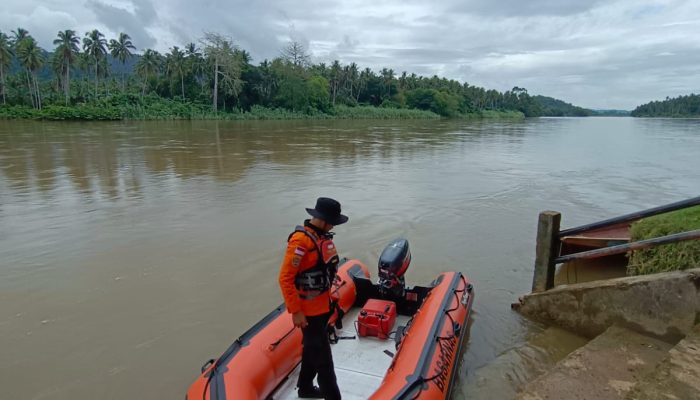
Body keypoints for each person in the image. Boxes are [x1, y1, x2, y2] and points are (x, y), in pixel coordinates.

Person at [278, 197, 348, 400]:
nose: (334, 225)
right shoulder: (300, 242)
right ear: (324, 220)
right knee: (325, 362)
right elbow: (285, 279)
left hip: (322, 307)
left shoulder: (319, 237)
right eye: (333, 221)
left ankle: (305, 387)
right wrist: (296, 312)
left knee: (312, 348)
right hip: (308, 314)